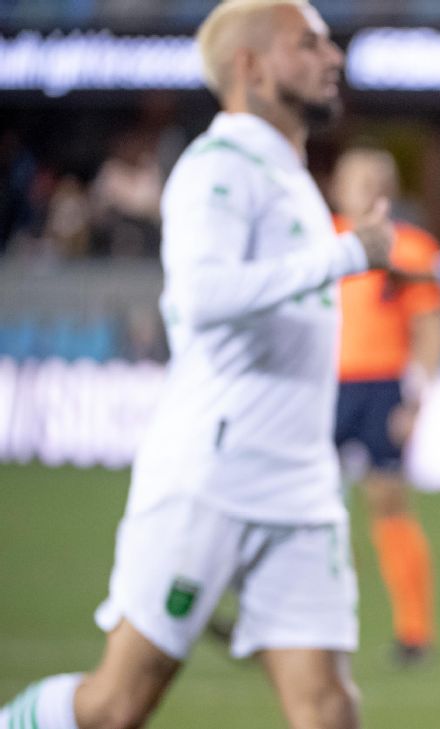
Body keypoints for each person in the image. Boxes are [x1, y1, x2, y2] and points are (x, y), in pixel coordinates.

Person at [0, 2, 391, 728]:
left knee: (328, 708)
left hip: (300, 487)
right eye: (308, 44)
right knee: (115, 705)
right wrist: (346, 254)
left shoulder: (288, 174)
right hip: (213, 477)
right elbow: (202, 298)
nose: (332, 57)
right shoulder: (218, 167)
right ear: (251, 67)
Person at [330, 146, 440, 666]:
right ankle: (310, 621)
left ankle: (414, 631)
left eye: (379, 179)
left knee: (389, 503)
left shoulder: (413, 248)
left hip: (382, 387)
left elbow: (429, 327)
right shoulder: (318, 240)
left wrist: (415, 399)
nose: (369, 188)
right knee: (307, 504)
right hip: (323, 386)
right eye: (359, 178)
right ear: (338, 187)